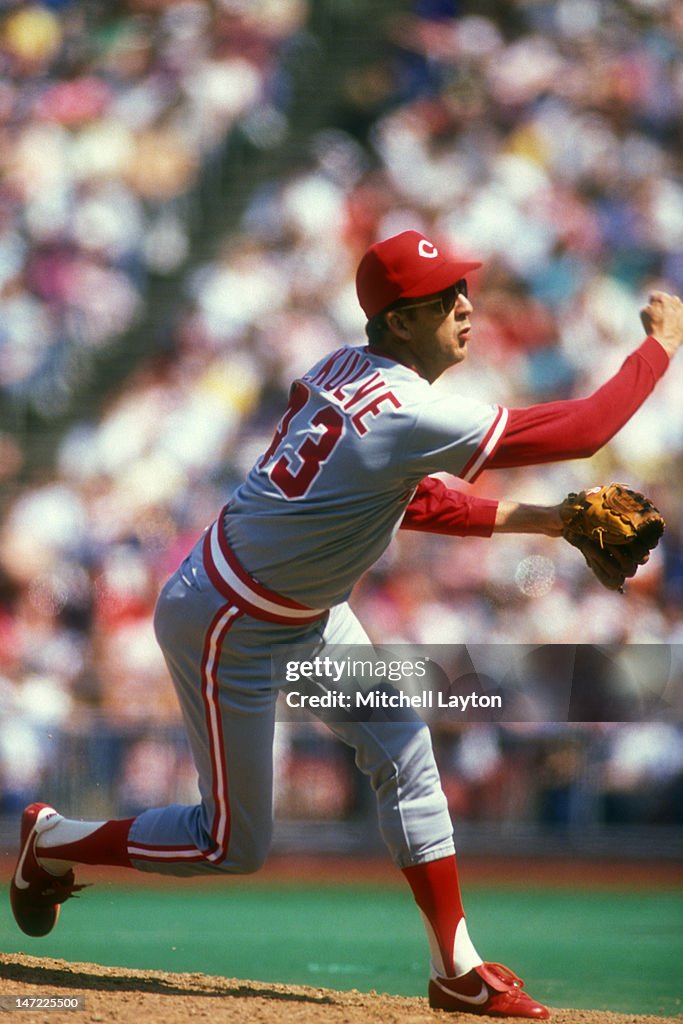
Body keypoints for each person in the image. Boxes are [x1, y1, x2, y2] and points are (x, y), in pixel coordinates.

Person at [11, 230, 683, 1018]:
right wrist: (657, 351)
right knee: (231, 846)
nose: (464, 306)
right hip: (230, 620)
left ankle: (454, 968)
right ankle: (52, 840)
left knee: (406, 749)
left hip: (305, 611)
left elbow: (414, 499)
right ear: (397, 323)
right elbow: (579, 433)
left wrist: (549, 524)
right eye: (441, 300)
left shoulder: (345, 368)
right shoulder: (404, 406)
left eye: (461, 289)